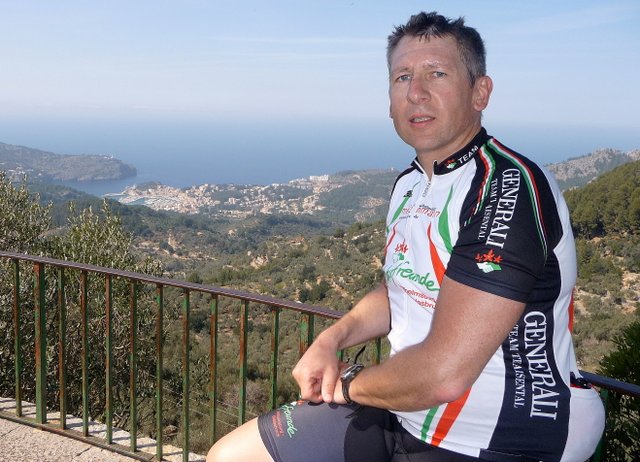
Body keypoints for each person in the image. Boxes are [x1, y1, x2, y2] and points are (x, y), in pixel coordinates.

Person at [207, 11, 605, 462]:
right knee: (230, 456)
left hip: (505, 436)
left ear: (480, 92)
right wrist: (331, 339)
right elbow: (400, 287)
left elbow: (444, 373)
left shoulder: (506, 188)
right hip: (403, 412)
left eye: (437, 73)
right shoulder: (410, 184)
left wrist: (348, 383)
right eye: (402, 77)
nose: (416, 92)